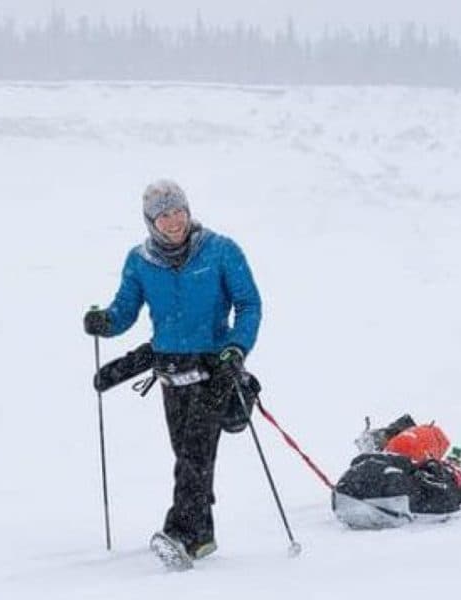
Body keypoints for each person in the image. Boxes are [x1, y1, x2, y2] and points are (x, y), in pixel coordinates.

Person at [84, 179, 262, 564]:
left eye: (179, 211)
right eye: (164, 215)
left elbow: (249, 304)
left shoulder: (221, 250)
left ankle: (180, 533)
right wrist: (105, 322)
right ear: (151, 221)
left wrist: (236, 347)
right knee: (187, 455)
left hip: (214, 369)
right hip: (169, 372)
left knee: (195, 455)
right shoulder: (139, 261)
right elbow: (124, 312)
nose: (174, 220)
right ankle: (202, 535)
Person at [333, 414, 461, 530]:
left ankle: (378, 443)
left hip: (357, 487)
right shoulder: (430, 447)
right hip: (403, 468)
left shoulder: (410, 441)